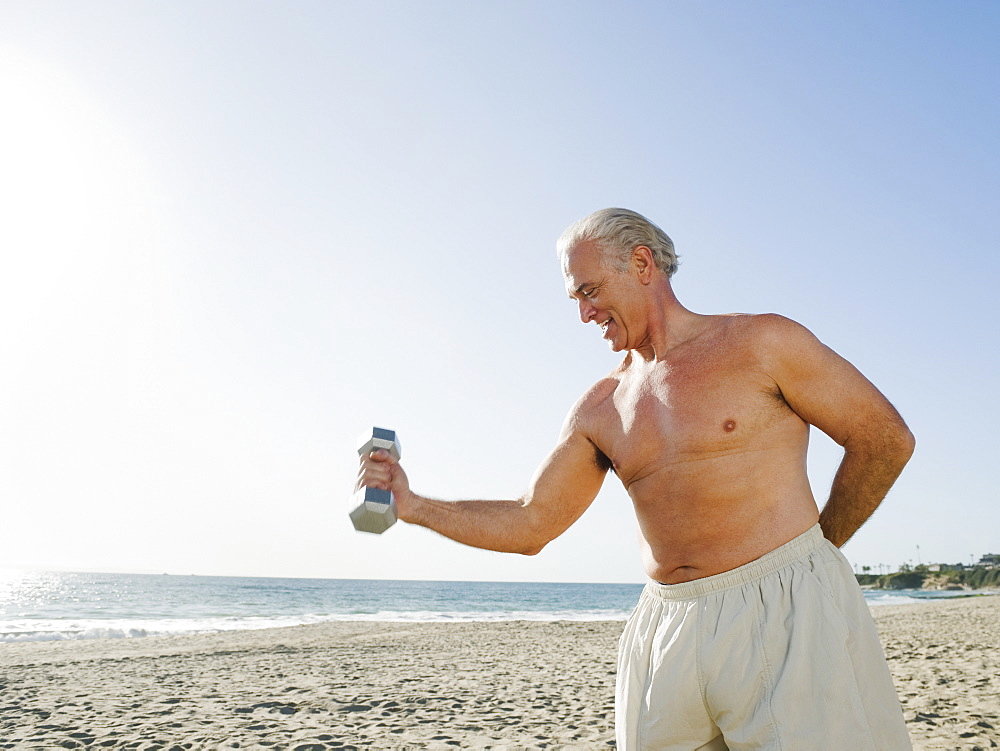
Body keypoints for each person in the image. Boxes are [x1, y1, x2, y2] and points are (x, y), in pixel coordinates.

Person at [357, 208, 915, 750]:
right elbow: (531, 522)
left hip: (784, 606)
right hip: (665, 627)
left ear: (642, 264)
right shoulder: (601, 406)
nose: (583, 314)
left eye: (589, 291)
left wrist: (817, 548)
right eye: (575, 297)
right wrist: (413, 504)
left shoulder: (762, 343)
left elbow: (884, 438)